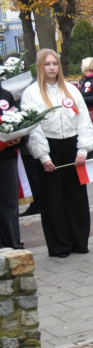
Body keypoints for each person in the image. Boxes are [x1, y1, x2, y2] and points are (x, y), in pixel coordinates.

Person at [22, 49, 93, 257]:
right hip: (49, 147)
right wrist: (43, 156)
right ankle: (59, 245)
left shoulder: (71, 89)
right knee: (52, 200)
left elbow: (84, 121)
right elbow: (33, 127)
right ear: (40, 67)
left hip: (72, 147)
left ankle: (79, 241)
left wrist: (83, 149)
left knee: (77, 198)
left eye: (55, 63)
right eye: (47, 64)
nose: (52, 68)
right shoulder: (32, 93)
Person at [0, 87, 22, 248]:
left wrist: (19, 138)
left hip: (6, 158)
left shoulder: (6, 95)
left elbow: (19, 120)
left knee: (10, 205)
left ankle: (13, 245)